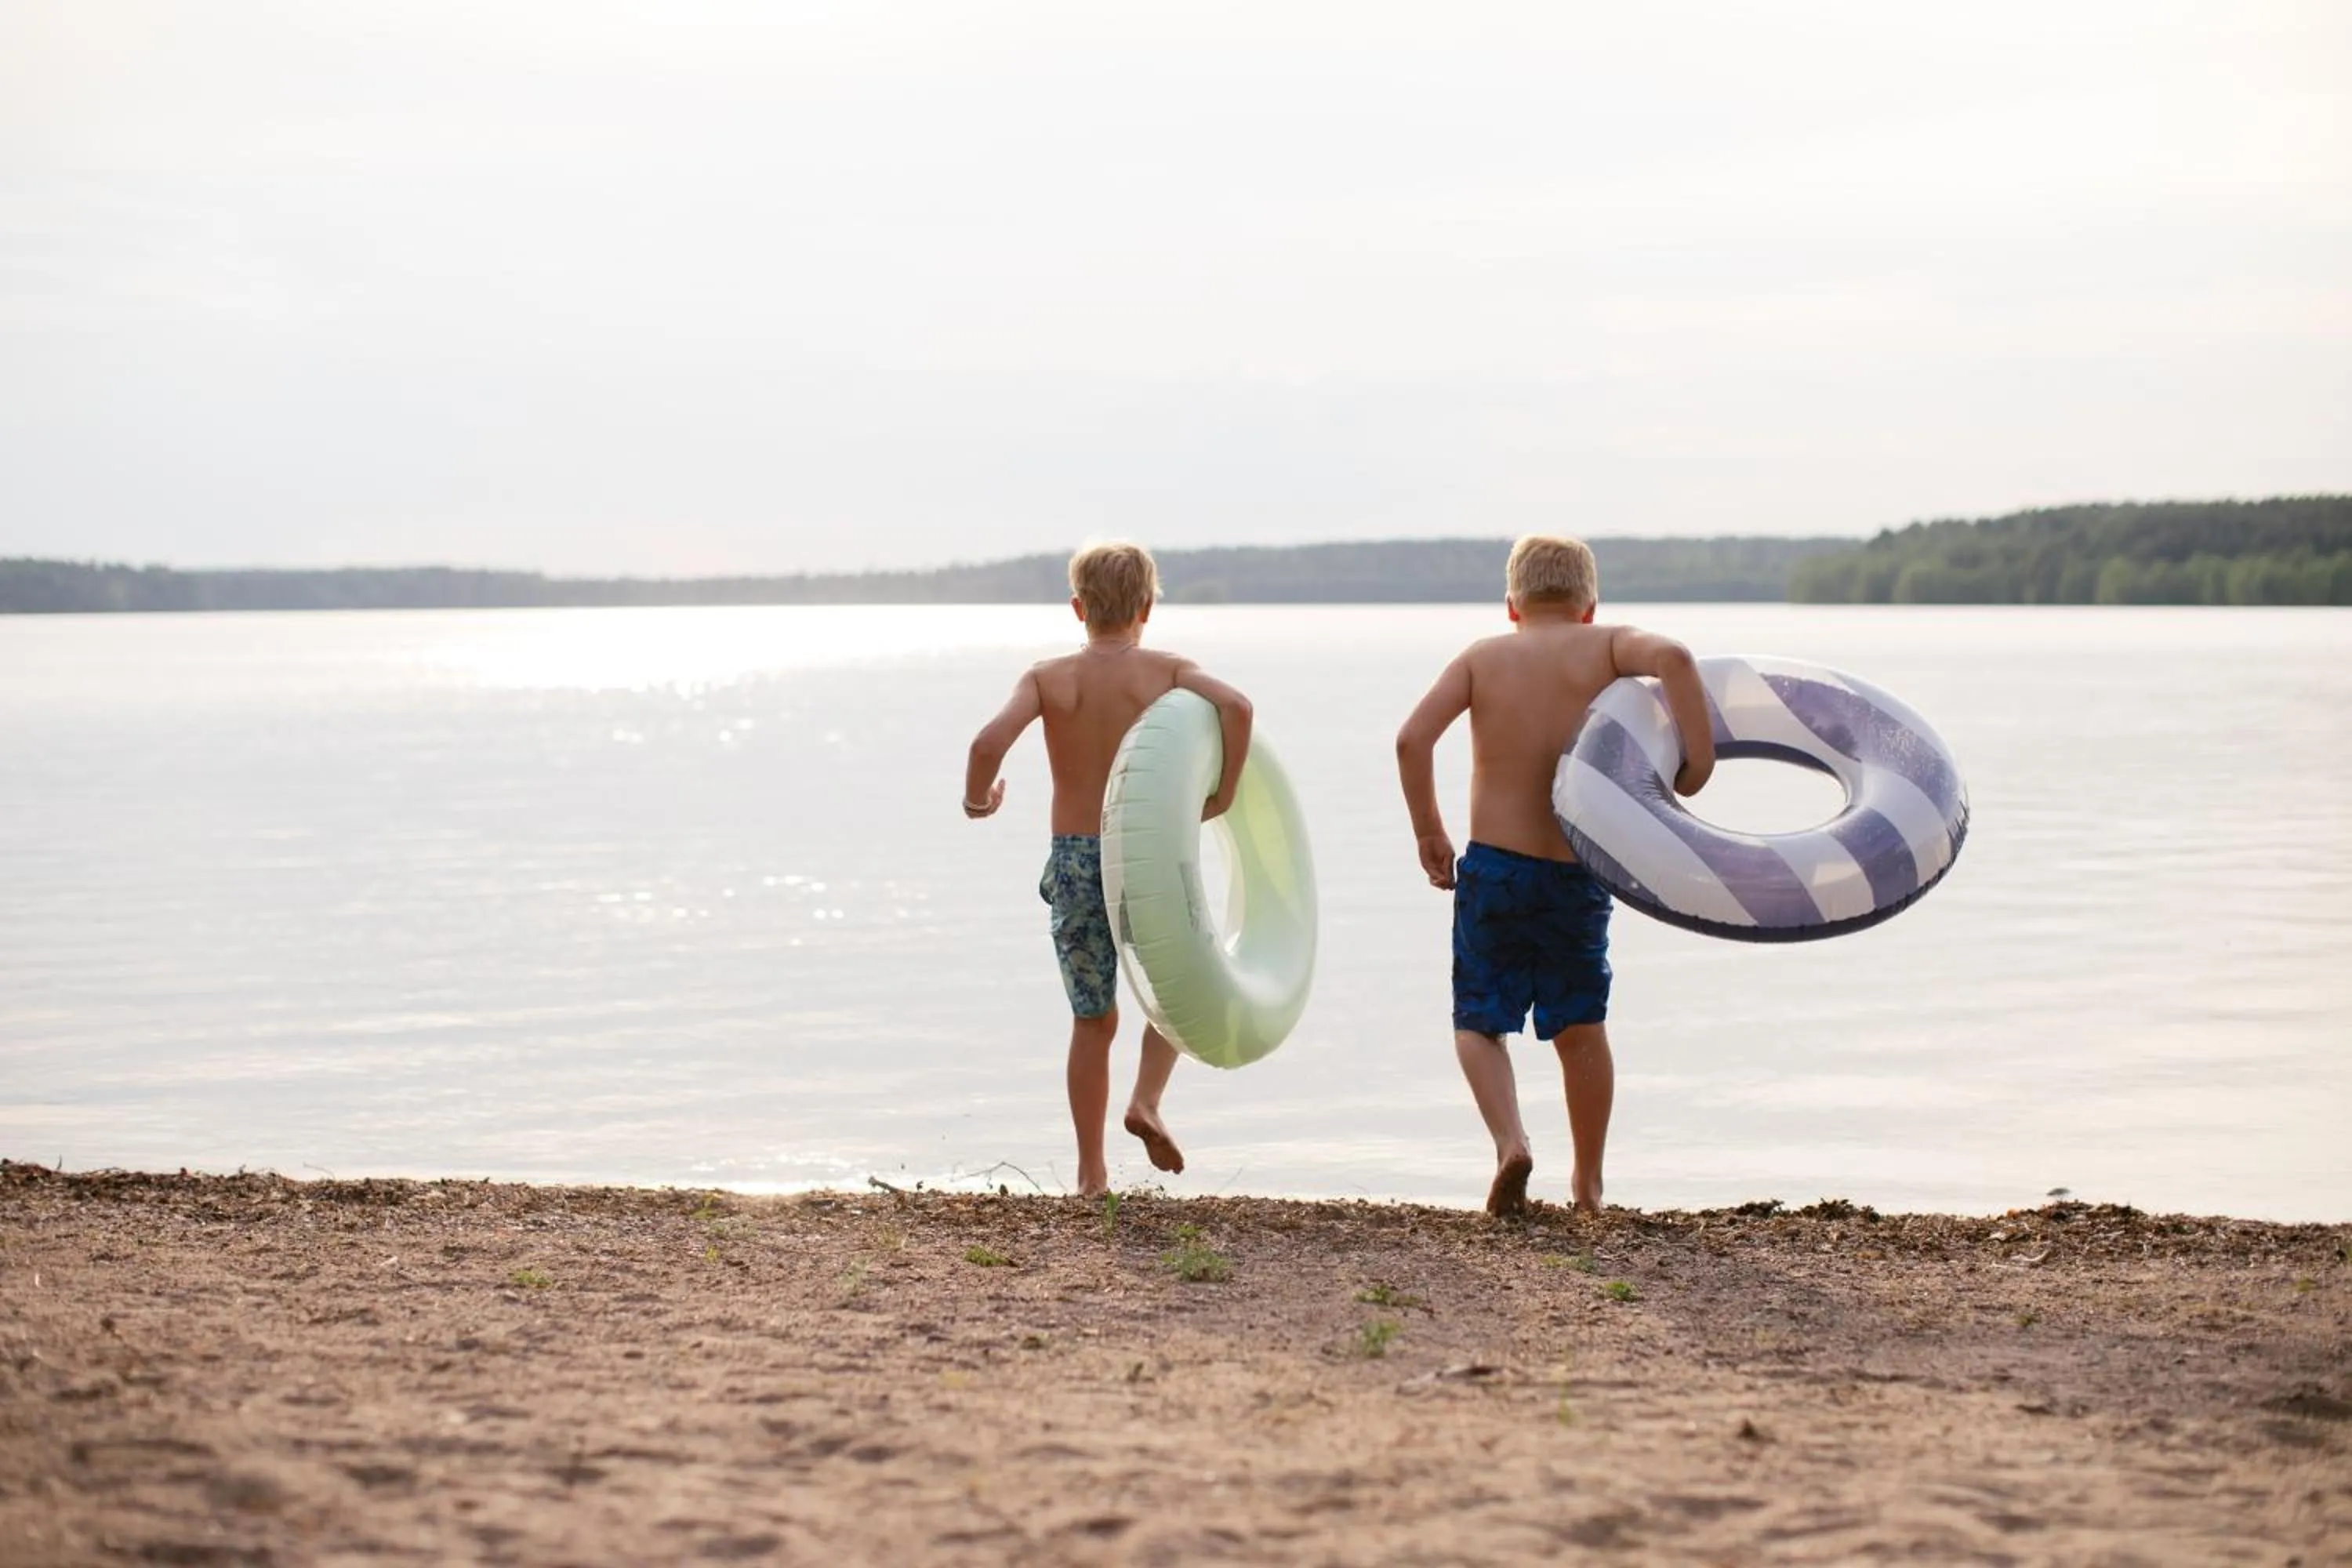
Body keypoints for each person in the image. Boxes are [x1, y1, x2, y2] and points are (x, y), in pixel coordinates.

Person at [1394, 535, 1715, 1218]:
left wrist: (1429, 831)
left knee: (1479, 1021)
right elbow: (1677, 658)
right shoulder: (1605, 649)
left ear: (1511, 604)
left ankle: (1511, 1142)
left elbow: (1411, 739)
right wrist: (1697, 764)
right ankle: (1588, 1187)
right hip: (1577, 871)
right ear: (1589, 604)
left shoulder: (1483, 657)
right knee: (1580, 1029)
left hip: (1495, 872)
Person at [963, 541, 1254, 1200]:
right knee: (1179, 988)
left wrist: (979, 800)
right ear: (1148, 606)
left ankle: (1090, 1174)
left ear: (1077, 607)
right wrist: (1226, 793)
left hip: (1075, 857)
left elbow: (986, 744)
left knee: (1093, 1019)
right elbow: (1237, 707)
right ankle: (1147, 1101)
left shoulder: (1047, 678)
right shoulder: (1167, 671)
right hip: (1146, 853)